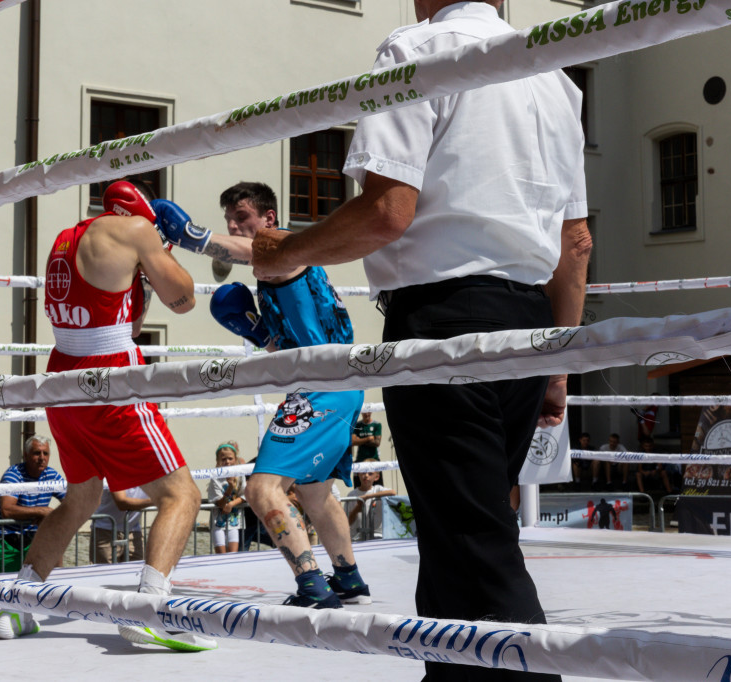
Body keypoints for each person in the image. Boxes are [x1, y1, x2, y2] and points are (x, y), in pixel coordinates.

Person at [250, 2, 589, 678]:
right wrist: (560, 363)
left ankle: (529, 673)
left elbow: (385, 211)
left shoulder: (416, 48)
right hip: (531, 318)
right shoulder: (554, 74)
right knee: (460, 530)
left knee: (472, 539)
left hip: (444, 320)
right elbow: (574, 244)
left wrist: (287, 251)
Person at [0, 179, 214, 652]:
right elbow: (185, 300)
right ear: (141, 214)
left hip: (63, 379)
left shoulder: (65, 239)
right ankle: (148, 609)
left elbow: (116, 314)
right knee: (182, 495)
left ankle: (18, 605)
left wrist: (143, 274)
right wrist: (164, 250)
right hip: (110, 377)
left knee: (80, 499)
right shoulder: (136, 230)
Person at [152, 181, 371, 609]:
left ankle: (311, 583)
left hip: (321, 390)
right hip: (340, 385)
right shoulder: (282, 269)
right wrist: (258, 332)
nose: (234, 227)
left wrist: (187, 235)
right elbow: (288, 343)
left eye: (243, 219)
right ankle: (348, 577)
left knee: (261, 489)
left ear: (268, 220)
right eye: (229, 221)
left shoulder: (282, 247)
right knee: (315, 493)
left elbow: (247, 253)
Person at [0, 435, 65, 573]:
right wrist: (40, 511)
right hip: (3, 541)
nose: (42, 458)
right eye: (36, 453)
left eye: (45, 453)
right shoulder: (13, 475)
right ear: (26, 455)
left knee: (43, 585)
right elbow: (7, 510)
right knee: (5, 589)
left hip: (32, 541)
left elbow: (73, 503)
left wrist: (52, 516)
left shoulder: (52, 476)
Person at [90, 486, 151, 563]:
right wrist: (157, 500)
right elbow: (122, 503)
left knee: (135, 571)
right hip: (106, 532)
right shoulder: (115, 474)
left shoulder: (150, 476)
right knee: (106, 572)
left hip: (133, 531)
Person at [207, 441, 246, 554]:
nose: (227, 462)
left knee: (233, 554)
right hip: (218, 523)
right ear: (218, 461)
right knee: (221, 555)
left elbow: (245, 494)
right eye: (223, 459)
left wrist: (232, 504)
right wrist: (230, 487)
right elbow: (220, 503)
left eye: (230, 458)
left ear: (235, 459)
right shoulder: (215, 477)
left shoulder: (240, 474)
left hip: (234, 521)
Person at [345, 468, 394, 540]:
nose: (366, 475)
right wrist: (357, 508)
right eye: (363, 472)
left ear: (376, 477)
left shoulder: (378, 489)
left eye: (370, 473)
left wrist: (367, 496)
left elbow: (392, 492)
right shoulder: (352, 495)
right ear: (358, 474)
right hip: (357, 537)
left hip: (377, 535)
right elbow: (348, 521)